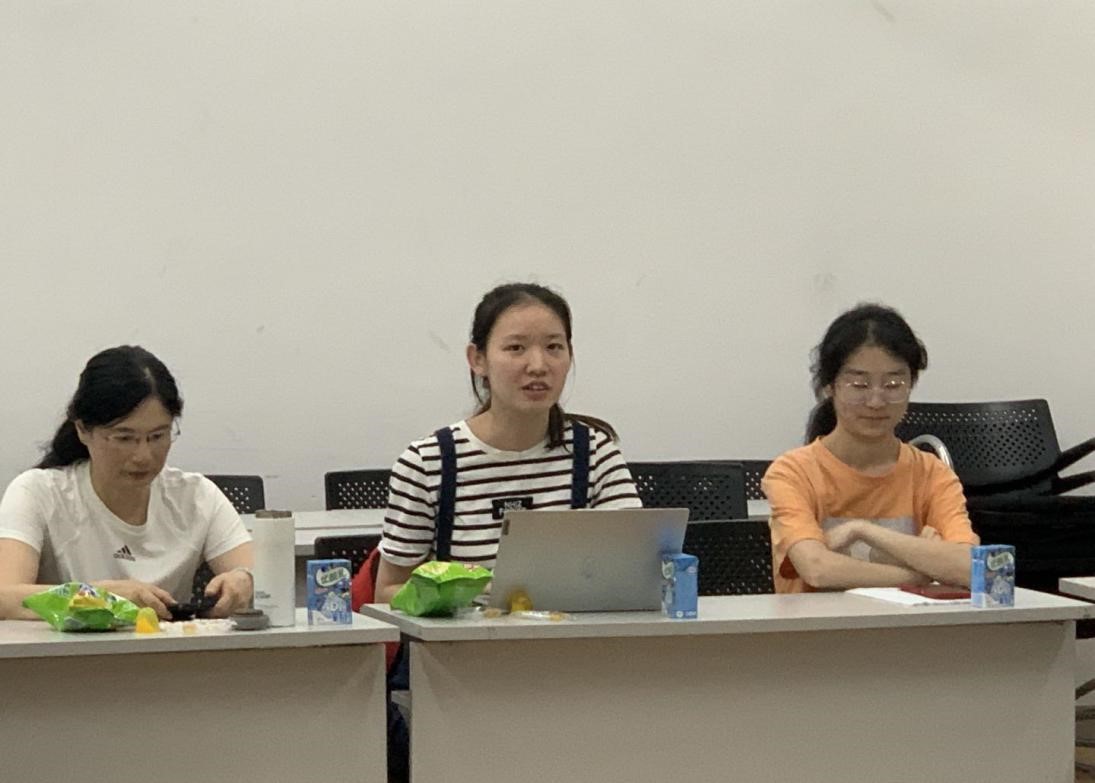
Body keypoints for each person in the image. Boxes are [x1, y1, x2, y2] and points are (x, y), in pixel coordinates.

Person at [375, 282, 642, 602]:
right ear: (478, 359)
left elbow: (637, 572)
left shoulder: (597, 454)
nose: (538, 366)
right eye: (516, 348)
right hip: (462, 633)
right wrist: (470, 591)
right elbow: (387, 592)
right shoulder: (428, 463)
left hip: (569, 631)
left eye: (554, 347)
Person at [0, 346, 254, 620]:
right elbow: (5, 597)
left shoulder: (196, 497)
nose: (143, 456)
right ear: (83, 430)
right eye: (124, 438)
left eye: (157, 436)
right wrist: (98, 597)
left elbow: (262, 576)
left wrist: (244, 581)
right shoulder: (38, 493)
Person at [762, 303, 979, 594]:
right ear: (830, 386)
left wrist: (864, 531)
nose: (876, 401)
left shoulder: (931, 474)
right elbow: (818, 569)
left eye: (893, 384)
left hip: (912, 623)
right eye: (859, 385)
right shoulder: (793, 472)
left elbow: (970, 568)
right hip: (817, 623)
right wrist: (921, 572)